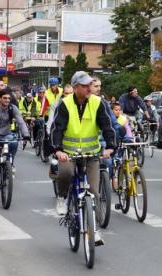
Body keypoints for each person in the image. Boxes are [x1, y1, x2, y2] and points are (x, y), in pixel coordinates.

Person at [50, 71, 116, 248]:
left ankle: (93, 231)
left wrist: (110, 146)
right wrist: (58, 150)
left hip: (91, 153)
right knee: (66, 172)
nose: (89, 88)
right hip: (69, 153)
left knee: (94, 191)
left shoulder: (97, 102)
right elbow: (56, 129)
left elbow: (107, 126)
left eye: (90, 85)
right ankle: (62, 198)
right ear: (76, 87)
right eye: (85, 85)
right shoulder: (64, 104)